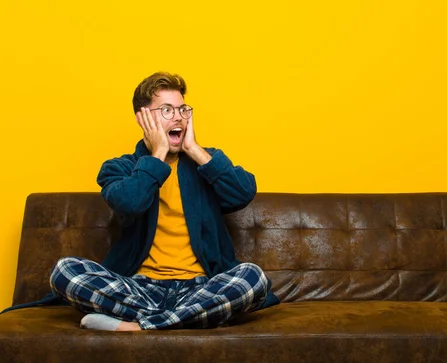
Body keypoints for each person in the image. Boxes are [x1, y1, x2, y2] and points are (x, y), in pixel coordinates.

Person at [48, 72, 279, 331]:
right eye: (167, 110)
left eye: (183, 109)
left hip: (201, 288)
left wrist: (194, 150)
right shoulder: (119, 168)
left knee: (252, 278)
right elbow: (131, 203)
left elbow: (243, 193)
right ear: (143, 118)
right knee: (65, 271)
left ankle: (136, 326)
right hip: (138, 288)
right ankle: (185, 319)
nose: (179, 116)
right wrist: (157, 154)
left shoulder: (206, 160)